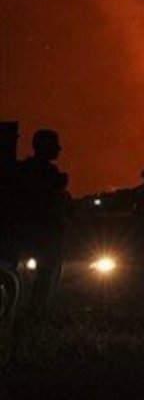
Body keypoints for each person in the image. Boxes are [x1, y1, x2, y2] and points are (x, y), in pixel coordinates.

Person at [12, 129, 69, 318]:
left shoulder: (22, 170)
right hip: (43, 234)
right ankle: (35, 314)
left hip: (23, 232)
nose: (59, 148)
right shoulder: (49, 176)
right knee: (45, 277)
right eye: (55, 144)